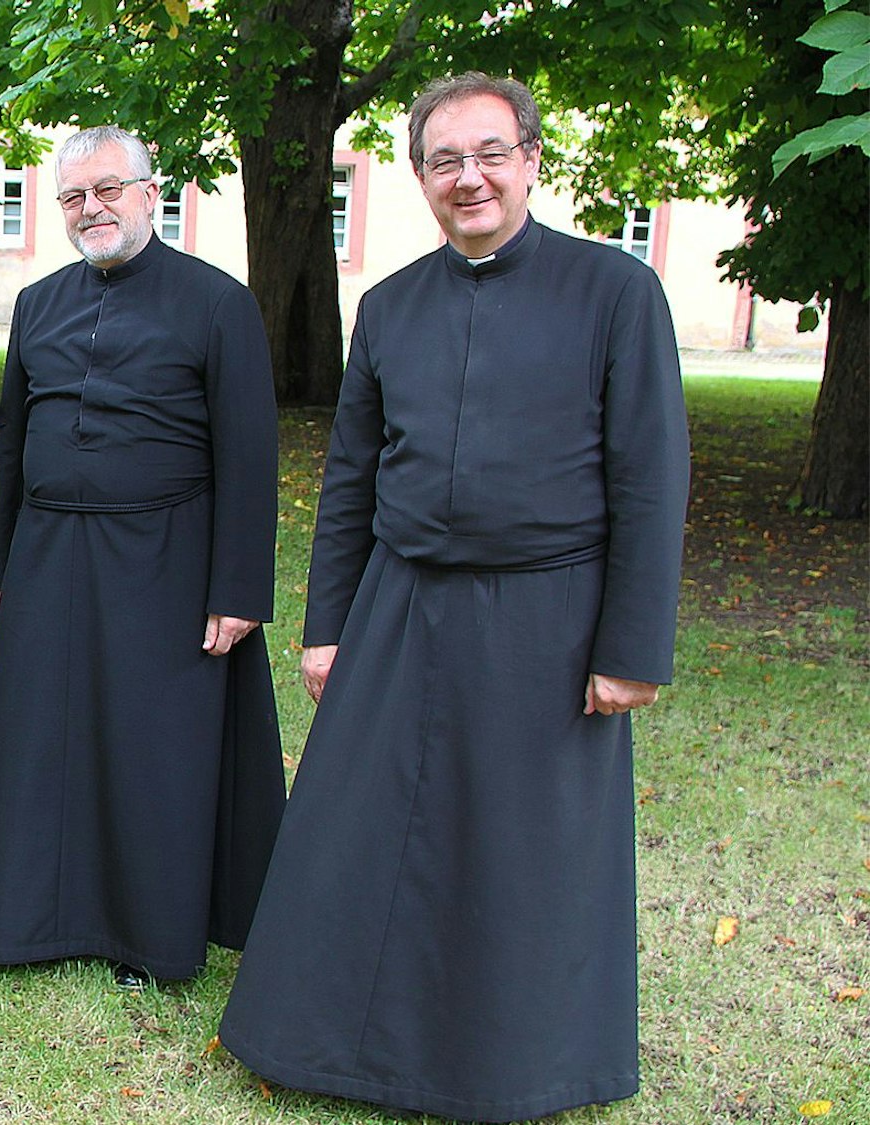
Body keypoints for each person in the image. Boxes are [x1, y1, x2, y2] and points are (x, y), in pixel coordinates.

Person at [217, 73, 689, 1121]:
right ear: (421, 176)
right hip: (396, 606)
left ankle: (515, 1061)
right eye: (442, 160)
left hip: (548, 615)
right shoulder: (389, 306)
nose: (465, 177)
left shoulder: (613, 293)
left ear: (528, 159)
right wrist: (325, 625)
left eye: (486, 154)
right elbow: (349, 479)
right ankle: (324, 1044)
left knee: (521, 848)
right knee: (357, 830)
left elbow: (647, 480)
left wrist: (629, 647)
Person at [0, 127, 285, 990]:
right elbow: (16, 445)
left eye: (106, 189)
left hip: (165, 555)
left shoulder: (219, 303)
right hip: (51, 551)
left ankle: (144, 931)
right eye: (72, 196)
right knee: (42, 738)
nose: (89, 208)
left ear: (150, 191)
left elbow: (249, 457)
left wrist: (239, 586)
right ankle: (23, 917)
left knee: (148, 746)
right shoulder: (40, 302)